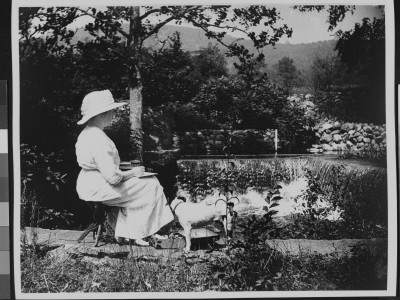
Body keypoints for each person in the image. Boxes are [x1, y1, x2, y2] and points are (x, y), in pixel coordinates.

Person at [75, 89, 174, 246]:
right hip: (100, 188)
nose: (114, 114)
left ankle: (133, 233)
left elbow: (102, 165)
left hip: (89, 183)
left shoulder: (87, 133)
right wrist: (134, 172)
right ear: (101, 114)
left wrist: (125, 169)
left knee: (144, 184)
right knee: (151, 184)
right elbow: (113, 178)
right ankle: (139, 233)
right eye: (112, 111)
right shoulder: (98, 139)